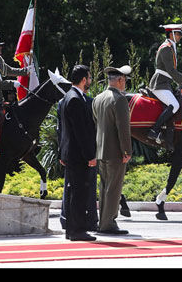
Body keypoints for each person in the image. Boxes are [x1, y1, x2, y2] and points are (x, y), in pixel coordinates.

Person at [92, 65, 133, 235]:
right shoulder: (119, 99)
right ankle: (108, 224)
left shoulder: (98, 98)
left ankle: (103, 223)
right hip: (115, 151)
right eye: (125, 81)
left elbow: (95, 124)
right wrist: (127, 151)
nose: (125, 84)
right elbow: (123, 128)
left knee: (104, 188)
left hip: (100, 150)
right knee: (114, 189)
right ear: (120, 80)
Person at [58, 65, 97, 241]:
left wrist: (61, 153)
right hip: (77, 155)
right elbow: (80, 132)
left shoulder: (68, 97)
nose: (90, 81)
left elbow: (62, 131)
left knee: (75, 191)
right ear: (83, 80)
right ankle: (77, 231)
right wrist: (90, 155)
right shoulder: (75, 99)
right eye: (89, 77)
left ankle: (73, 230)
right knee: (78, 193)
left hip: (71, 153)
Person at [147, 23, 182, 151]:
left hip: (165, 83)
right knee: (175, 105)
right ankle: (154, 130)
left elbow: (172, 72)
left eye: (180, 34)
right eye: (178, 34)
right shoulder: (166, 48)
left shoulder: (171, 47)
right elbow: (171, 71)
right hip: (159, 84)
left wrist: (181, 84)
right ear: (171, 34)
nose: (180, 36)